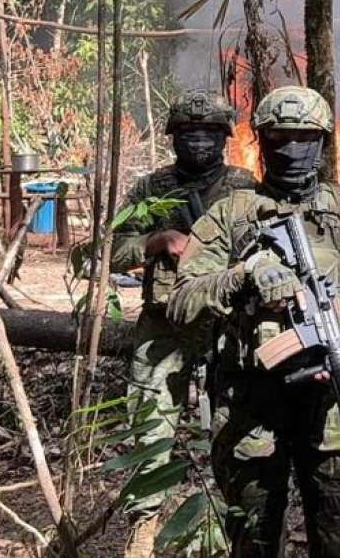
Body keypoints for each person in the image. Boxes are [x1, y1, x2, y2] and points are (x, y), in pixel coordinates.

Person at [168, 85, 340, 558]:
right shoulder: (232, 214)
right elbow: (182, 300)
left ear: (321, 141)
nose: (293, 150)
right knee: (255, 539)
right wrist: (245, 276)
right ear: (262, 141)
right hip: (250, 406)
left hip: (330, 405)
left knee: (337, 535)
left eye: (304, 138)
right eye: (280, 139)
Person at [109, 89, 258, 558]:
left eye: (209, 133)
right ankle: (144, 526)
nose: (198, 141)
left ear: (224, 137)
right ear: (174, 137)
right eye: (189, 133)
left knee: (237, 430)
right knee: (151, 424)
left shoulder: (245, 186)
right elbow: (113, 248)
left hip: (230, 325)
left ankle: (236, 526)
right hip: (165, 323)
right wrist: (157, 240)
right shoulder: (152, 188)